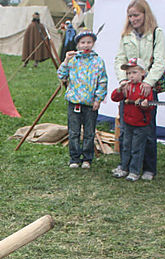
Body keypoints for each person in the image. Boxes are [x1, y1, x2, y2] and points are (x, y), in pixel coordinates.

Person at [113, 0, 165, 181]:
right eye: (130, 16)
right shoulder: (126, 35)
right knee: (126, 128)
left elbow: (160, 60)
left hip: (146, 86)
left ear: (145, 14)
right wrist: (123, 81)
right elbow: (119, 58)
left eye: (136, 15)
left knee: (148, 129)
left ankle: (148, 167)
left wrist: (149, 82)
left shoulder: (156, 33)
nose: (133, 19)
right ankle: (125, 165)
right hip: (129, 86)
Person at [57, 30, 107, 169]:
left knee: (89, 133)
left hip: (90, 104)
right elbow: (61, 75)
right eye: (83, 42)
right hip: (74, 102)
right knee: (74, 132)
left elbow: (103, 82)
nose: (86, 45)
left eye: (89, 42)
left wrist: (98, 99)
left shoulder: (98, 61)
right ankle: (74, 158)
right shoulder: (73, 60)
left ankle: (87, 158)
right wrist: (66, 61)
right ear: (78, 44)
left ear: (93, 44)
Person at [110, 59, 154, 182]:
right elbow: (114, 98)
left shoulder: (145, 88)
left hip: (141, 124)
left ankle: (134, 171)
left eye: (134, 72)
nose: (131, 76)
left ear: (142, 73)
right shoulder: (127, 87)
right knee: (126, 146)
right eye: (128, 73)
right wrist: (119, 89)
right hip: (128, 122)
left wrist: (144, 104)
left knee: (137, 148)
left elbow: (150, 106)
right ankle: (124, 168)